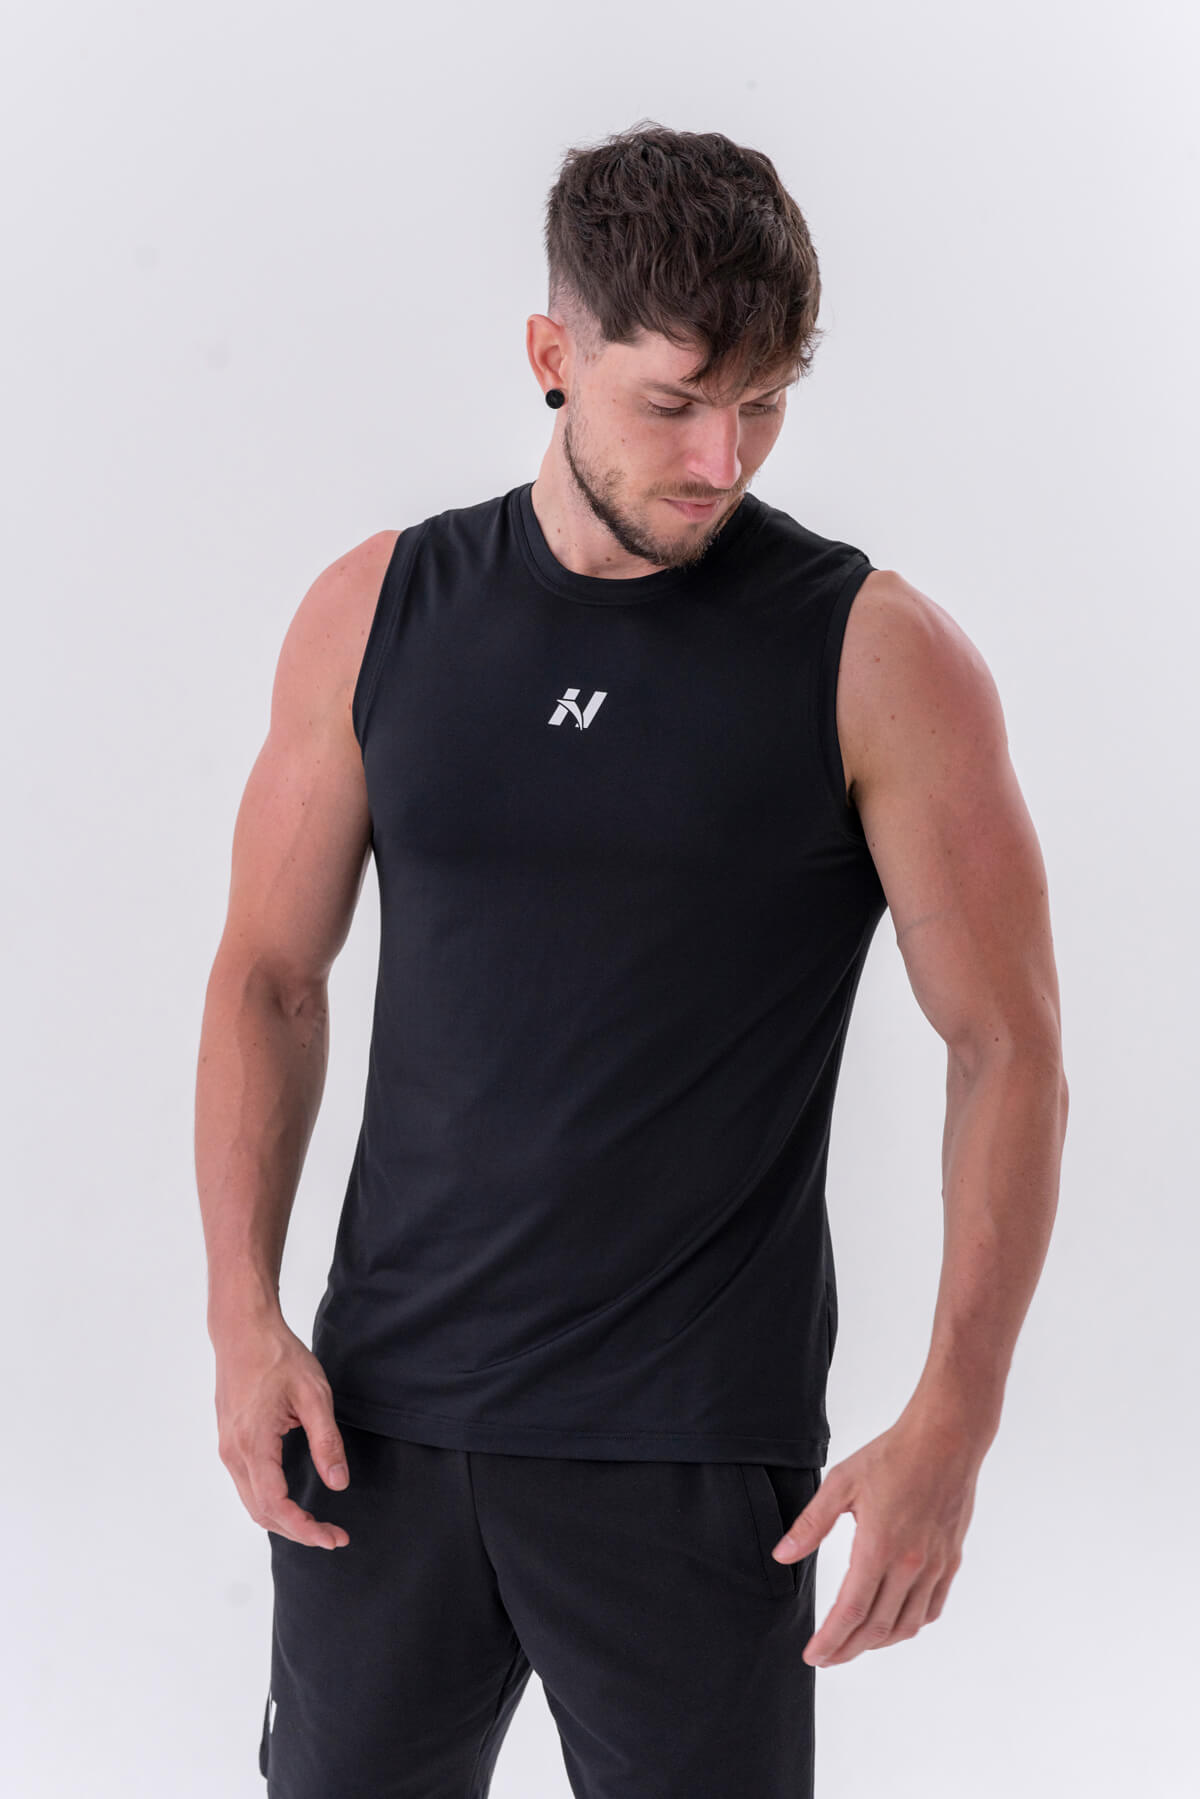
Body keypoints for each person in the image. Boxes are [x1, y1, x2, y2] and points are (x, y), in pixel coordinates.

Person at [195, 121, 1068, 1799]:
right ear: (552, 353)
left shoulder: (873, 656)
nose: (722, 457)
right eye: (674, 403)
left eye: (765, 403)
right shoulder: (378, 612)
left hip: (693, 1459)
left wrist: (956, 1418)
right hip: (375, 1432)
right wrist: (243, 1316)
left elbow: (1006, 1046)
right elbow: (268, 979)